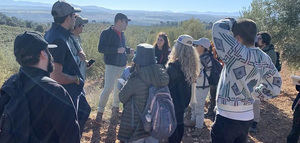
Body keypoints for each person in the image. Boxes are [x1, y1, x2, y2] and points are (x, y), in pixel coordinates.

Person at [0, 31, 80, 143]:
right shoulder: (55, 91)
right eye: (49, 52)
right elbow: (71, 138)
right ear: (43, 54)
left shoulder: (9, 84)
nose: (51, 56)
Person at [211, 18, 282, 143]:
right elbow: (275, 87)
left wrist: (233, 21)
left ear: (237, 38)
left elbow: (217, 26)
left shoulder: (234, 52)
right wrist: (255, 92)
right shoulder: (263, 57)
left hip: (226, 116)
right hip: (247, 116)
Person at [44, 0, 91, 134]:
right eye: (74, 16)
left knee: (84, 110)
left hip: (68, 91)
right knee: (69, 129)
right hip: (65, 93)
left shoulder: (56, 33)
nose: (75, 19)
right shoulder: (58, 39)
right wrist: (75, 79)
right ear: (68, 18)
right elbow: (56, 76)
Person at [118, 43, 169, 143]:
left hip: (137, 126)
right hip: (156, 124)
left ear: (137, 61)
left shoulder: (135, 79)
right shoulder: (161, 77)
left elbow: (122, 97)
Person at [96, 13, 133, 124]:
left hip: (122, 65)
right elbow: (101, 48)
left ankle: (115, 113)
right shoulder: (106, 33)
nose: (127, 25)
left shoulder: (122, 34)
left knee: (118, 90)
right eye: (126, 22)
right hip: (111, 66)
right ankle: (99, 113)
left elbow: (121, 48)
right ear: (120, 21)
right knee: (107, 89)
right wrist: (116, 50)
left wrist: (128, 50)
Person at [167, 35, 200, 143]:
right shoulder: (191, 67)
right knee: (179, 125)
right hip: (183, 104)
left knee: (172, 132)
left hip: (172, 105)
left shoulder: (173, 67)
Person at [250, 31, 279, 132]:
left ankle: (254, 123)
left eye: (259, 38)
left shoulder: (270, 53)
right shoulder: (259, 50)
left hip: (260, 81)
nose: (257, 39)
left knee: (256, 101)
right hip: (254, 79)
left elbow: (269, 70)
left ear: (264, 41)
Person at [189, 38, 214, 129]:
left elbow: (197, 74)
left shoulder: (205, 59)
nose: (195, 47)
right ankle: (193, 121)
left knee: (199, 107)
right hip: (197, 85)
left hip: (202, 87)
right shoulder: (201, 57)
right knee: (193, 105)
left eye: (197, 45)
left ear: (203, 47)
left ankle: (198, 127)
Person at [71, 15, 90, 80]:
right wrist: (80, 58)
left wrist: (84, 62)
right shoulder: (70, 40)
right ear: (76, 26)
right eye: (82, 25)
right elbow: (70, 59)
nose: (83, 27)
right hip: (74, 79)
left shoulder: (76, 38)